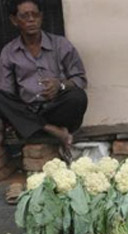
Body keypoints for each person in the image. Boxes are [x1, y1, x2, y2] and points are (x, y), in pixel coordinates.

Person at [0, 0, 88, 154]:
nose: (31, 20)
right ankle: (51, 130)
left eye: (35, 15)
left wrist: (60, 85)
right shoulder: (9, 52)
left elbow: (80, 79)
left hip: (57, 110)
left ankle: (41, 127)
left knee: (78, 97)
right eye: (24, 16)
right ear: (14, 20)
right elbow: (6, 93)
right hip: (28, 110)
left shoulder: (61, 45)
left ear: (41, 17)